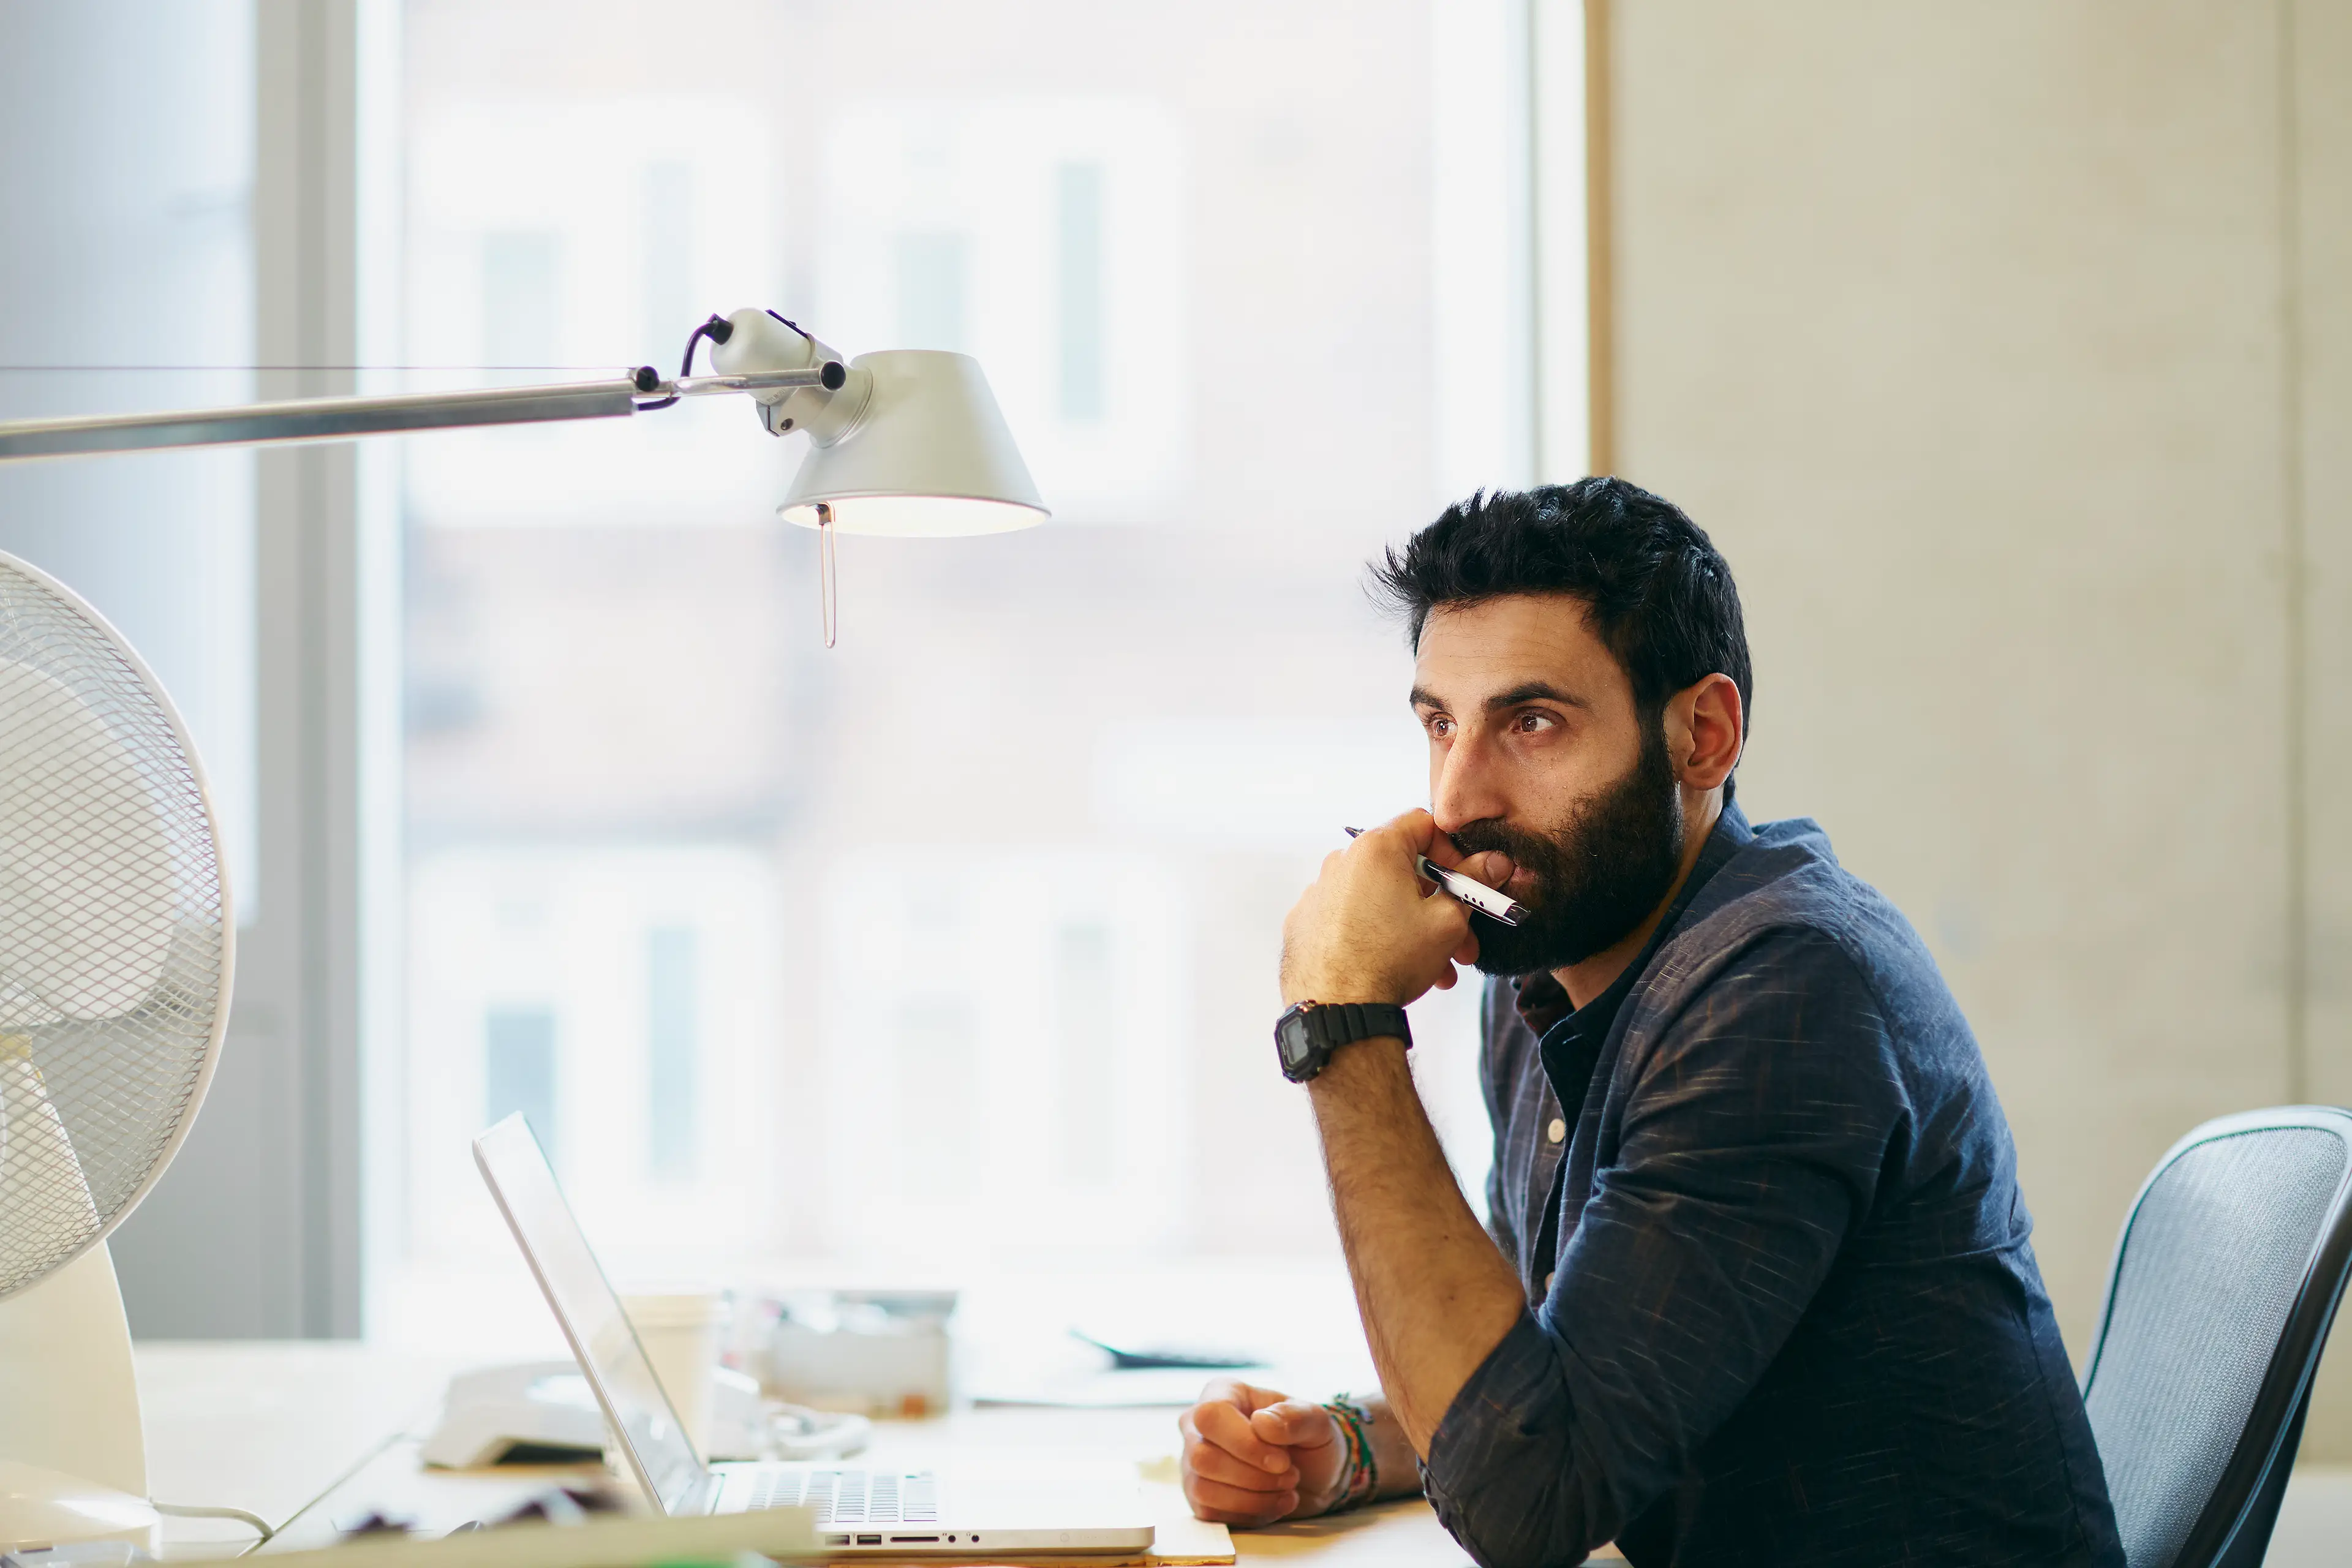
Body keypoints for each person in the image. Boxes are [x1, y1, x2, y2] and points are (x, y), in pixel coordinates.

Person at [1177, 480, 2122, 1567]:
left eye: (1532, 723)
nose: (1457, 798)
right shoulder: (1542, 967)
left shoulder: (1785, 987)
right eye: (1441, 724)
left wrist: (1342, 1023)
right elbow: (1555, 1381)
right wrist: (1341, 1447)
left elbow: (1531, 1503)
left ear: (1703, 736)